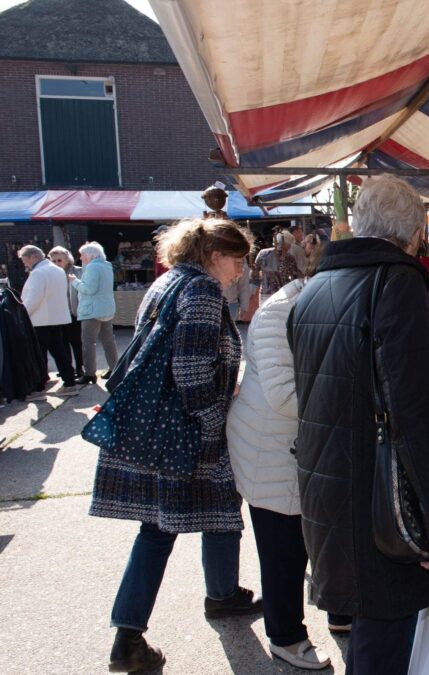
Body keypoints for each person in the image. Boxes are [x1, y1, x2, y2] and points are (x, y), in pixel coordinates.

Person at [289, 176, 429, 675]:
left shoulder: (317, 287)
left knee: (373, 633)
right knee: (383, 639)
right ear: (415, 235)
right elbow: (415, 413)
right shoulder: (394, 284)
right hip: (377, 496)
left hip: (331, 485)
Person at [90, 218, 261, 673]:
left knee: (167, 525)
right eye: (238, 260)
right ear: (214, 256)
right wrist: (213, 423)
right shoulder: (203, 292)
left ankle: (137, 630)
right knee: (211, 511)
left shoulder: (169, 282)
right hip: (186, 431)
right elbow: (189, 373)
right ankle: (203, 604)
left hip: (160, 429)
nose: (241, 271)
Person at [226, 235, 343, 670]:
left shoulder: (315, 307)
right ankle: (285, 635)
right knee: (284, 551)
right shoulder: (278, 313)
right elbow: (282, 395)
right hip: (268, 451)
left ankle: (340, 611)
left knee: (314, 539)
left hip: (297, 447)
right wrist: (350, 400)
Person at [18, 245, 78, 395]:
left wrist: (22, 316)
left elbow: (34, 298)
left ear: (33, 257)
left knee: (38, 355)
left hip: (40, 320)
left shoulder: (38, 273)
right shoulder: (57, 270)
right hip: (56, 318)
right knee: (60, 352)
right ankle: (69, 382)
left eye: (24, 260)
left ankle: (38, 388)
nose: (24, 263)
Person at [70, 242, 118, 384]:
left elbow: (89, 289)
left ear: (90, 255)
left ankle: (90, 373)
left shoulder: (92, 267)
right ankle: (114, 368)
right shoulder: (106, 266)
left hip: (91, 310)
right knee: (108, 340)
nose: (80, 258)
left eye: (82, 255)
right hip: (106, 308)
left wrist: (74, 281)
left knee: (88, 342)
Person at [47, 246, 84, 380]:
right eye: (54, 261)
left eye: (59, 260)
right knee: (62, 343)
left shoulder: (78, 271)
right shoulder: (50, 273)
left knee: (76, 341)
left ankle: (80, 367)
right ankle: (68, 368)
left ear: (67, 260)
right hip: (58, 313)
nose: (57, 263)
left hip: (73, 311)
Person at [253, 231, 300, 305]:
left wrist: (262, 280)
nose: (290, 247)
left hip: (265, 293)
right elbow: (295, 277)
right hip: (282, 294)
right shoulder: (289, 258)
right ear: (286, 245)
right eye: (290, 245)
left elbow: (253, 274)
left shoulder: (262, 253)